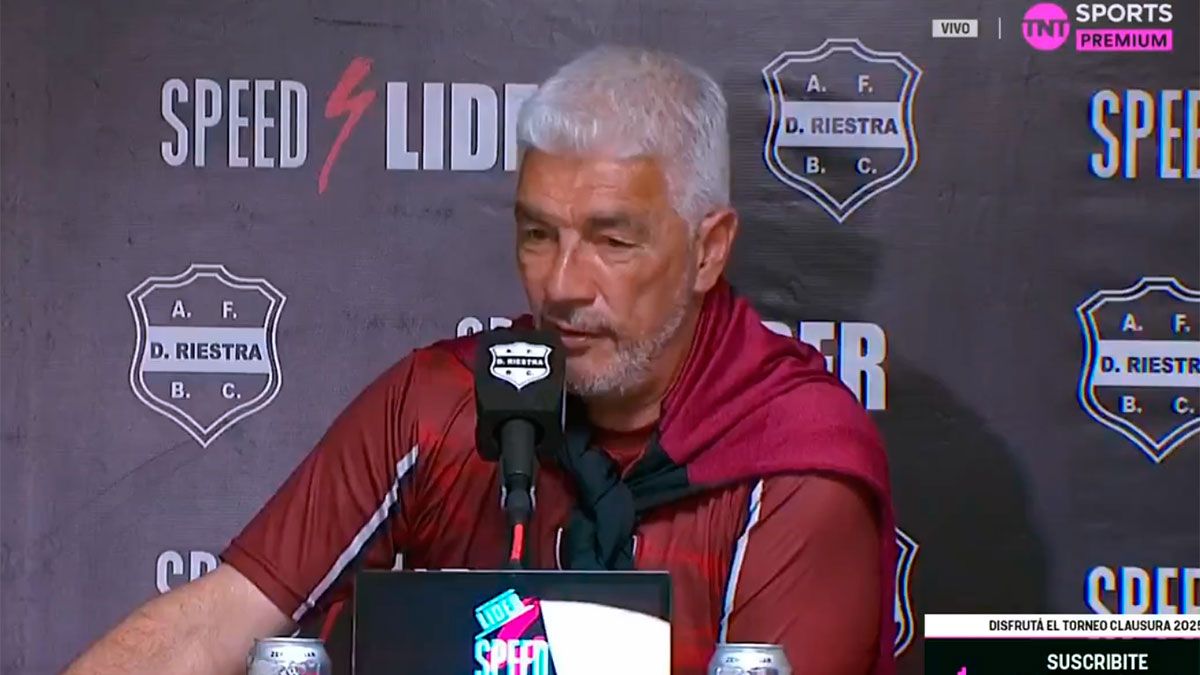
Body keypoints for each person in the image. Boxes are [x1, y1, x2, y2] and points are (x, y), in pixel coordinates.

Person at [64, 45, 895, 675]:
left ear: (708, 250)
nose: (562, 285)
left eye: (612, 240)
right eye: (538, 234)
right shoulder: (442, 401)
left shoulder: (794, 455)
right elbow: (213, 624)